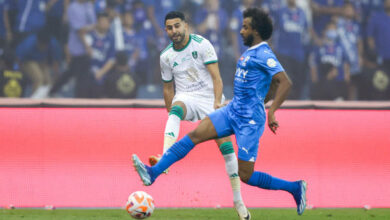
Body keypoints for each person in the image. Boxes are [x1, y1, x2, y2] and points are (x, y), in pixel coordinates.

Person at [133, 8, 307, 216]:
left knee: (246, 175)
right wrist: (257, 100)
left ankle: (294, 188)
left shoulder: (263, 53)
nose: (240, 31)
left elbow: (284, 82)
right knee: (195, 135)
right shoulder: (250, 52)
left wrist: (271, 111)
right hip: (232, 110)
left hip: (249, 122)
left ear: (256, 31)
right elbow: (265, 86)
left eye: (245, 27)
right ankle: (154, 172)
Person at [146, 11, 250, 220]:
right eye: (169, 28)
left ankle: (238, 201)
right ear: (165, 30)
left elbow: (217, 78)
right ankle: (164, 156)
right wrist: (171, 114)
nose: (174, 31)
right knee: (176, 109)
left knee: (228, 151)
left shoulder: (202, 45)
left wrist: (217, 103)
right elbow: (168, 89)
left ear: (185, 25)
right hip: (186, 96)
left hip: (209, 98)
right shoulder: (165, 56)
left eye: (177, 26)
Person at [84, 12, 116, 98]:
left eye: (107, 22)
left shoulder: (111, 38)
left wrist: (101, 72)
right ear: (97, 22)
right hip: (88, 73)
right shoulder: (89, 36)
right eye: (102, 21)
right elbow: (85, 55)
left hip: (104, 74)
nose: (104, 24)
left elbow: (112, 59)